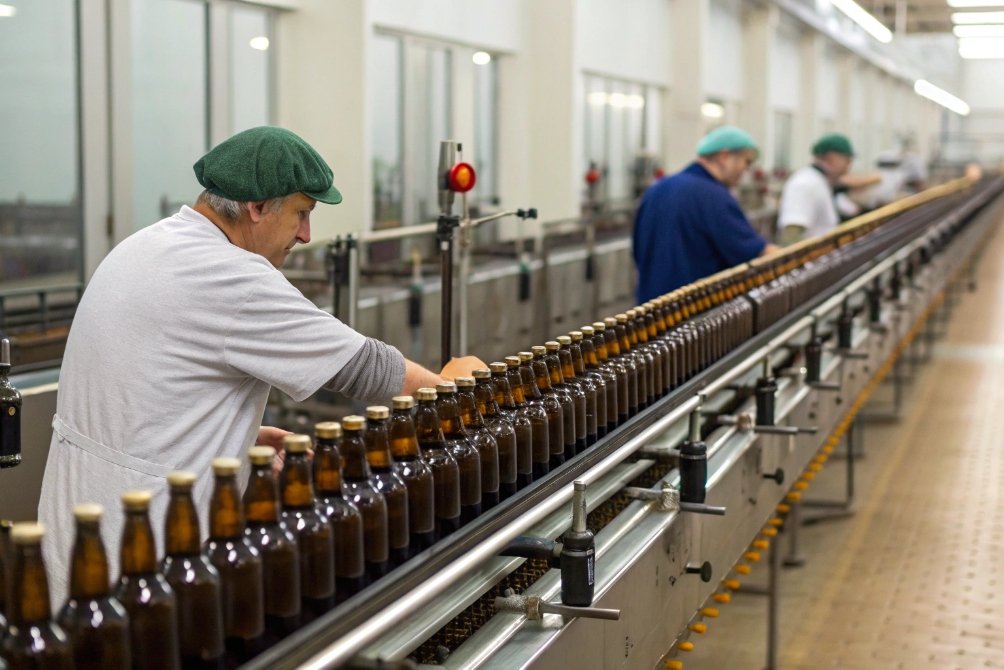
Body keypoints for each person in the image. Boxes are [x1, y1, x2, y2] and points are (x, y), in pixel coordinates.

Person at [38, 126, 484, 605]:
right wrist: (449, 386)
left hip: (72, 533)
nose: (307, 234)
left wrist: (236, 438)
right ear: (256, 207)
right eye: (302, 213)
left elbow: (139, 394)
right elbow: (361, 366)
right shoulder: (233, 275)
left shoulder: (145, 246)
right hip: (145, 552)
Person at [631, 125, 779, 303]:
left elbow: (637, 249)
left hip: (649, 310)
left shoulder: (658, 188)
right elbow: (754, 251)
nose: (745, 170)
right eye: (745, 162)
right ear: (724, 156)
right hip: (692, 314)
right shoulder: (714, 196)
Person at [776, 133, 856, 245]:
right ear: (832, 158)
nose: (849, 166)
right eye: (848, 160)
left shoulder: (819, 181)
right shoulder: (806, 184)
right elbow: (790, 237)